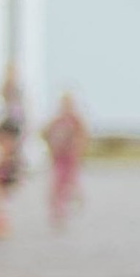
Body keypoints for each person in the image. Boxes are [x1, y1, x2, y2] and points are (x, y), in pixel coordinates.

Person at [0, 70, 27, 239]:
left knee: (1, 200)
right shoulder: (8, 112)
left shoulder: (13, 115)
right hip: (5, 167)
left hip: (6, 169)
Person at [44, 92, 89, 228]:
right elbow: (47, 133)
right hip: (59, 158)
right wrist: (52, 147)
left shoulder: (75, 120)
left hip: (71, 158)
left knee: (69, 181)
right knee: (57, 182)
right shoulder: (57, 120)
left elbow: (83, 135)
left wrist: (78, 149)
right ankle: (57, 209)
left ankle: (73, 197)